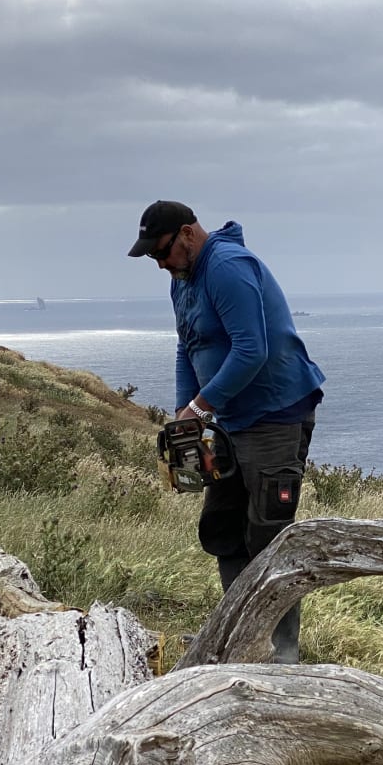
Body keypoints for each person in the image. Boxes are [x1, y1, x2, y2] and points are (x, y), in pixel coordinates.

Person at [129, 201, 325, 663]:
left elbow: (251, 350)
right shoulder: (183, 279)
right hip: (229, 420)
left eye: (161, 252)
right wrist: (185, 406)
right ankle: (240, 637)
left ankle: (282, 655)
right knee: (223, 530)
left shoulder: (228, 268)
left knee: (268, 537)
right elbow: (187, 344)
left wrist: (200, 406)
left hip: (275, 413)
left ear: (186, 235)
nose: (160, 264)